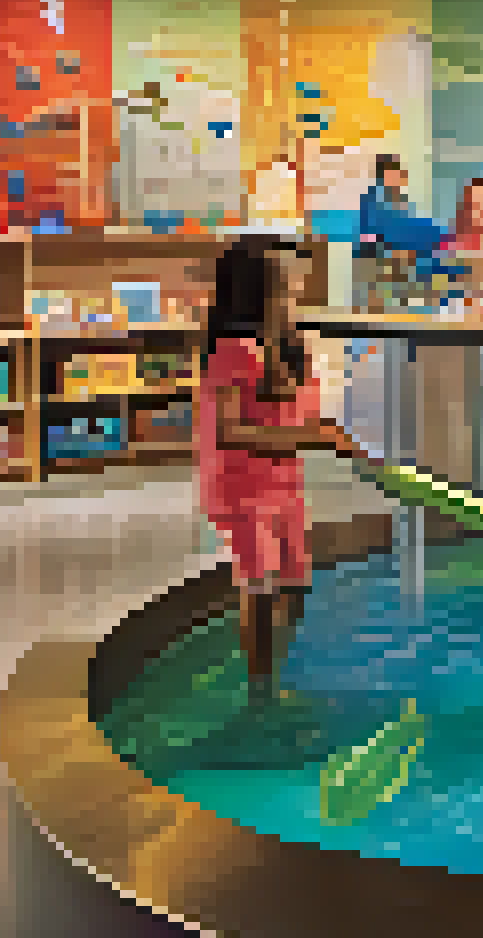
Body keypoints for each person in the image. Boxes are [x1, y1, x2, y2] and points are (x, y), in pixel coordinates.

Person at [197, 236, 362, 689]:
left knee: (294, 581)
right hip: (241, 484)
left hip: (283, 479)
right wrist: (311, 436)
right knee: (262, 586)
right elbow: (231, 431)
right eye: (286, 290)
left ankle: (279, 673)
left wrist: (337, 433)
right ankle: (260, 687)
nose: (296, 298)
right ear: (256, 295)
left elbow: (304, 415)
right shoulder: (234, 350)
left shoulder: (290, 347)